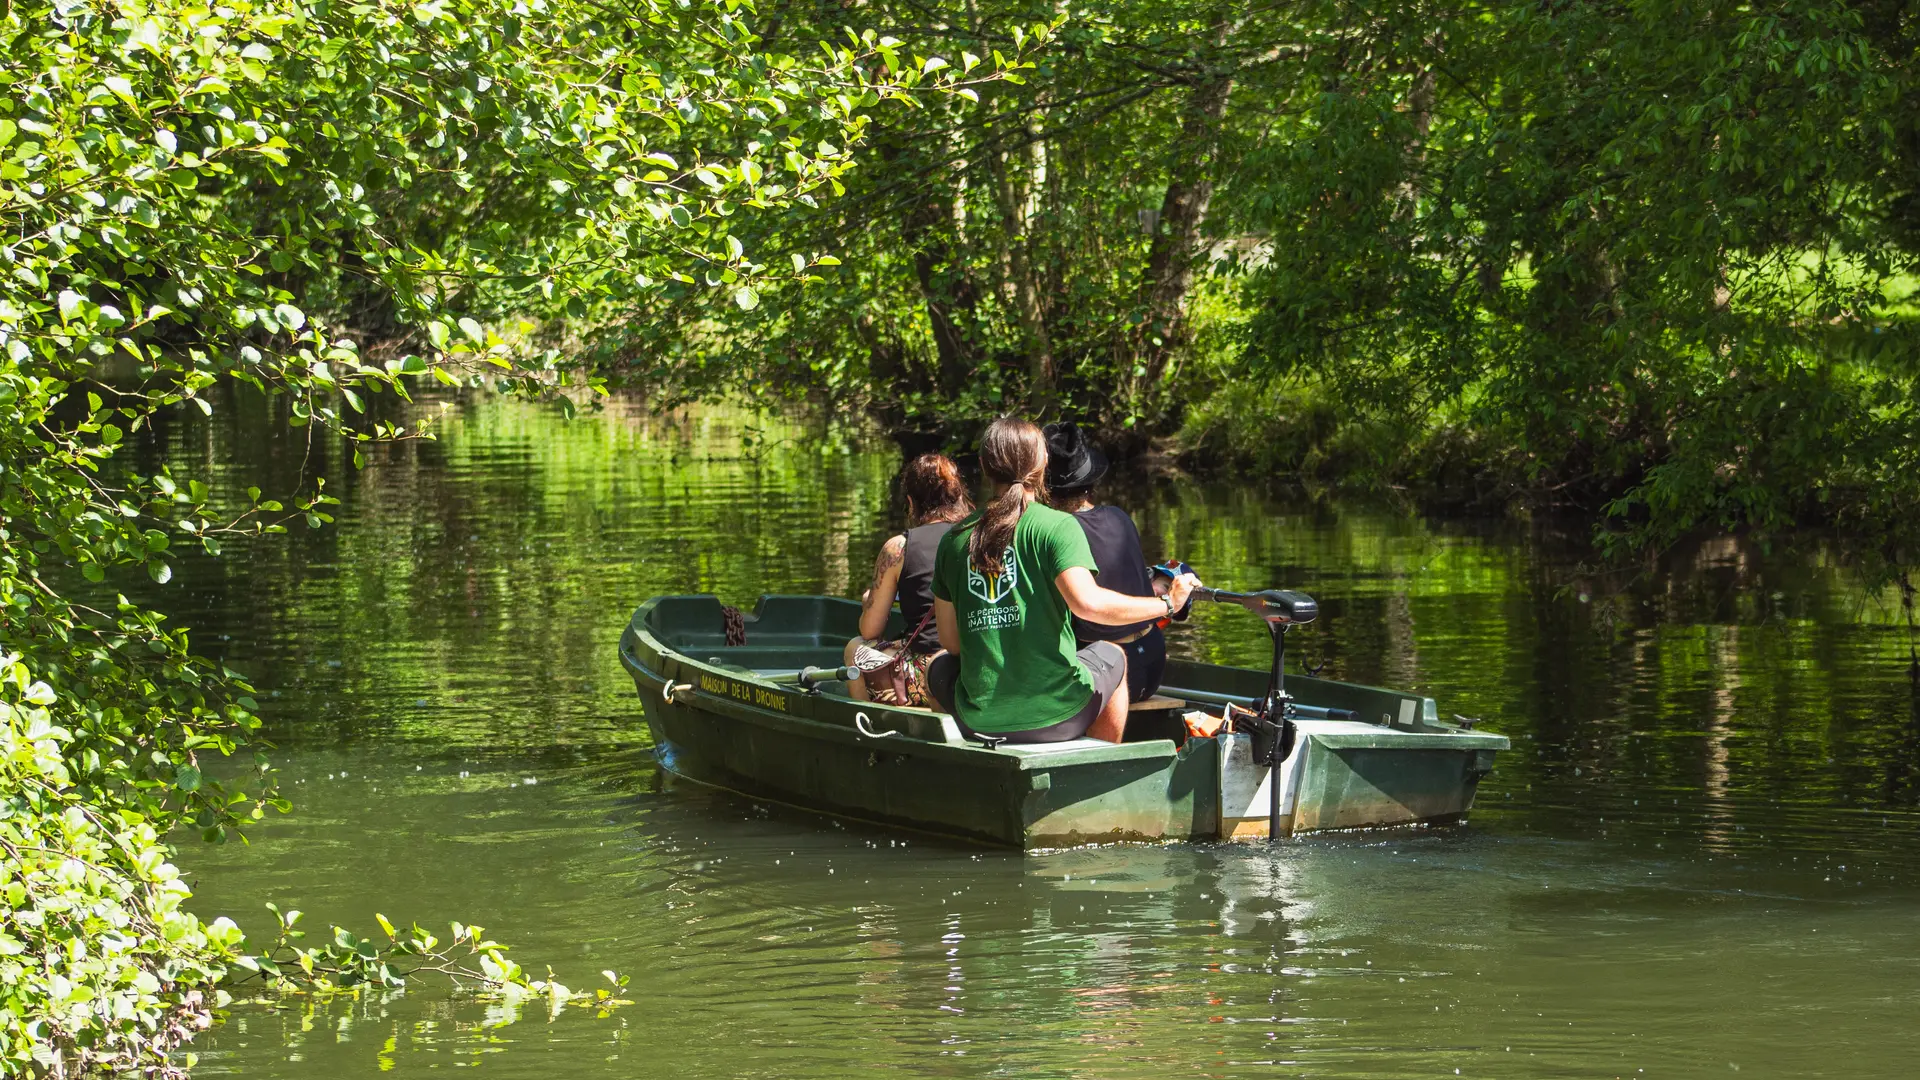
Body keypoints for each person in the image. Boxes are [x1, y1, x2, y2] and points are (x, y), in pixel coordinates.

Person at [925, 418, 1199, 744]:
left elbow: (952, 643)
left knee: (935, 666)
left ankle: (961, 759)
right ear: (1042, 464)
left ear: (984, 466)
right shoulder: (1058, 527)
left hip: (978, 721)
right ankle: (1098, 768)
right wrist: (1168, 603)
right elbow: (1088, 605)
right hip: (1059, 717)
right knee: (1113, 657)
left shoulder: (953, 538)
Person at [1042, 421, 1170, 702]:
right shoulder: (1119, 516)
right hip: (1152, 665)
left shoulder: (1055, 532)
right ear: (1090, 482)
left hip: (1111, 675)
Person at [843, 453, 973, 706]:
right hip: (978, 662)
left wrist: (869, 602)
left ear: (912, 502)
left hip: (929, 673)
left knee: (855, 647)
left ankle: (868, 726)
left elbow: (870, 630)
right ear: (958, 497)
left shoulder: (899, 548)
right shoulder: (980, 536)